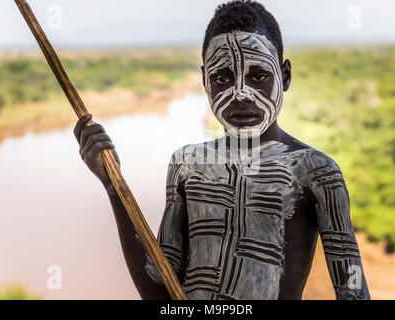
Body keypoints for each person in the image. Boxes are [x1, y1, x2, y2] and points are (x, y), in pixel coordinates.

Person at [73, 0, 370, 300]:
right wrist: (113, 183)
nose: (240, 93)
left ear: (285, 76)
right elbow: (159, 293)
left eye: (258, 76)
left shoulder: (316, 171)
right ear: (205, 81)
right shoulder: (186, 164)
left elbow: (353, 292)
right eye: (222, 78)